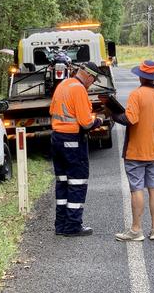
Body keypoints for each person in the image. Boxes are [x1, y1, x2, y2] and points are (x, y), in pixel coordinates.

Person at [113, 60, 154, 242]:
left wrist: (112, 114)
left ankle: (136, 229)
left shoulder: (136, 95)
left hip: (136, 153)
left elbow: (130, 119)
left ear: (141, 76)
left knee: (136, 189)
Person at [50, 61, 103, 236]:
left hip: (57, 138)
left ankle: (61, 225)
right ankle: (73, 226)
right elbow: (86, 122)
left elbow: (54, 111)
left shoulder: (63, 84)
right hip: (72, 141)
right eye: (93, 80)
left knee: (63, 183)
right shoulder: (79, 89)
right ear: (88, 75)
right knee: (77, 182)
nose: (92, 84)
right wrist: (99, 120)